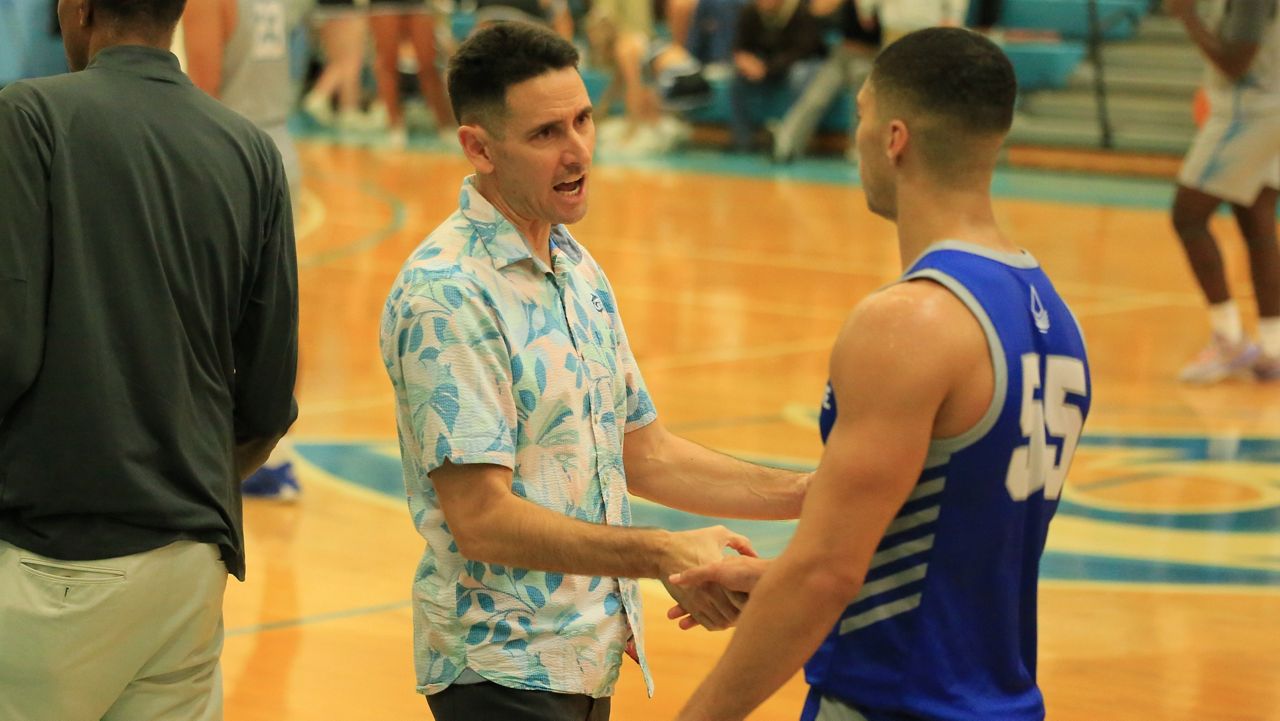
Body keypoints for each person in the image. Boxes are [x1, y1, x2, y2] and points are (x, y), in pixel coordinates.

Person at [378, 22, 807, 721]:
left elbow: (647, 450)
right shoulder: (447, 294)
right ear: (478, 148)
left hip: (582, 660)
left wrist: (812, 495)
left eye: (583, 120)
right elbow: (482, 520)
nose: (578, 149)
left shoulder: (574, 265)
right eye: (546, 133)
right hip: (502, 669)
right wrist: (663, 551)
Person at [670, 28, 1092, 721]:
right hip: (999, 701)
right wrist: (767, 580)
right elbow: (950, 548)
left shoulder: (910, 322)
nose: (857, 134)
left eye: (862, 114)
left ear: (894, 138)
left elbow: (826, 572)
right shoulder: (1055, 314)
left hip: (894, 700)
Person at [0, 0, 298, 717]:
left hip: (53, 562)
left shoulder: (27, 115)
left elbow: (8, 350)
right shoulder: (250, 149)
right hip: (191, 567)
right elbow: (268, 396)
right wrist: (180, 475)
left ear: (76, 9)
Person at [183, 0, 305, 499]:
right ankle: (279, 452)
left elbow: (203, 86)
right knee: (281, 309)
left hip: (230, 150)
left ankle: (222, 453)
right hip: (279, 143)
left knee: (212, 308)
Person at [1165, 0, 1280, 383]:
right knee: (1258, 227)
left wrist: (1188, 16)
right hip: (1268, 107)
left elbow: (1235, 62)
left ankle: (1229, 338)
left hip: (1248, 112)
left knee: (1188, 216)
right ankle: (1273, 348)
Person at [772, 0, 880, 163]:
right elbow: (817, 9)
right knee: (815, 98)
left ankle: (858, 150)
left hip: (869, 57)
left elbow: (869, 24)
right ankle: (785, 145)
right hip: (841, 54)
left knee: (861, 100)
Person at [728, 0, 827, 153]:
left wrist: (767, 68)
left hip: (796, 65)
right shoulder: (750, 12)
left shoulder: (800, 11)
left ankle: (788, 141)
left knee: (800, 75)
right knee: (736, 80)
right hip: (765, 66)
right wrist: (745, 60)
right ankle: (743, 142)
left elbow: (803, 51)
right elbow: (740, 46)